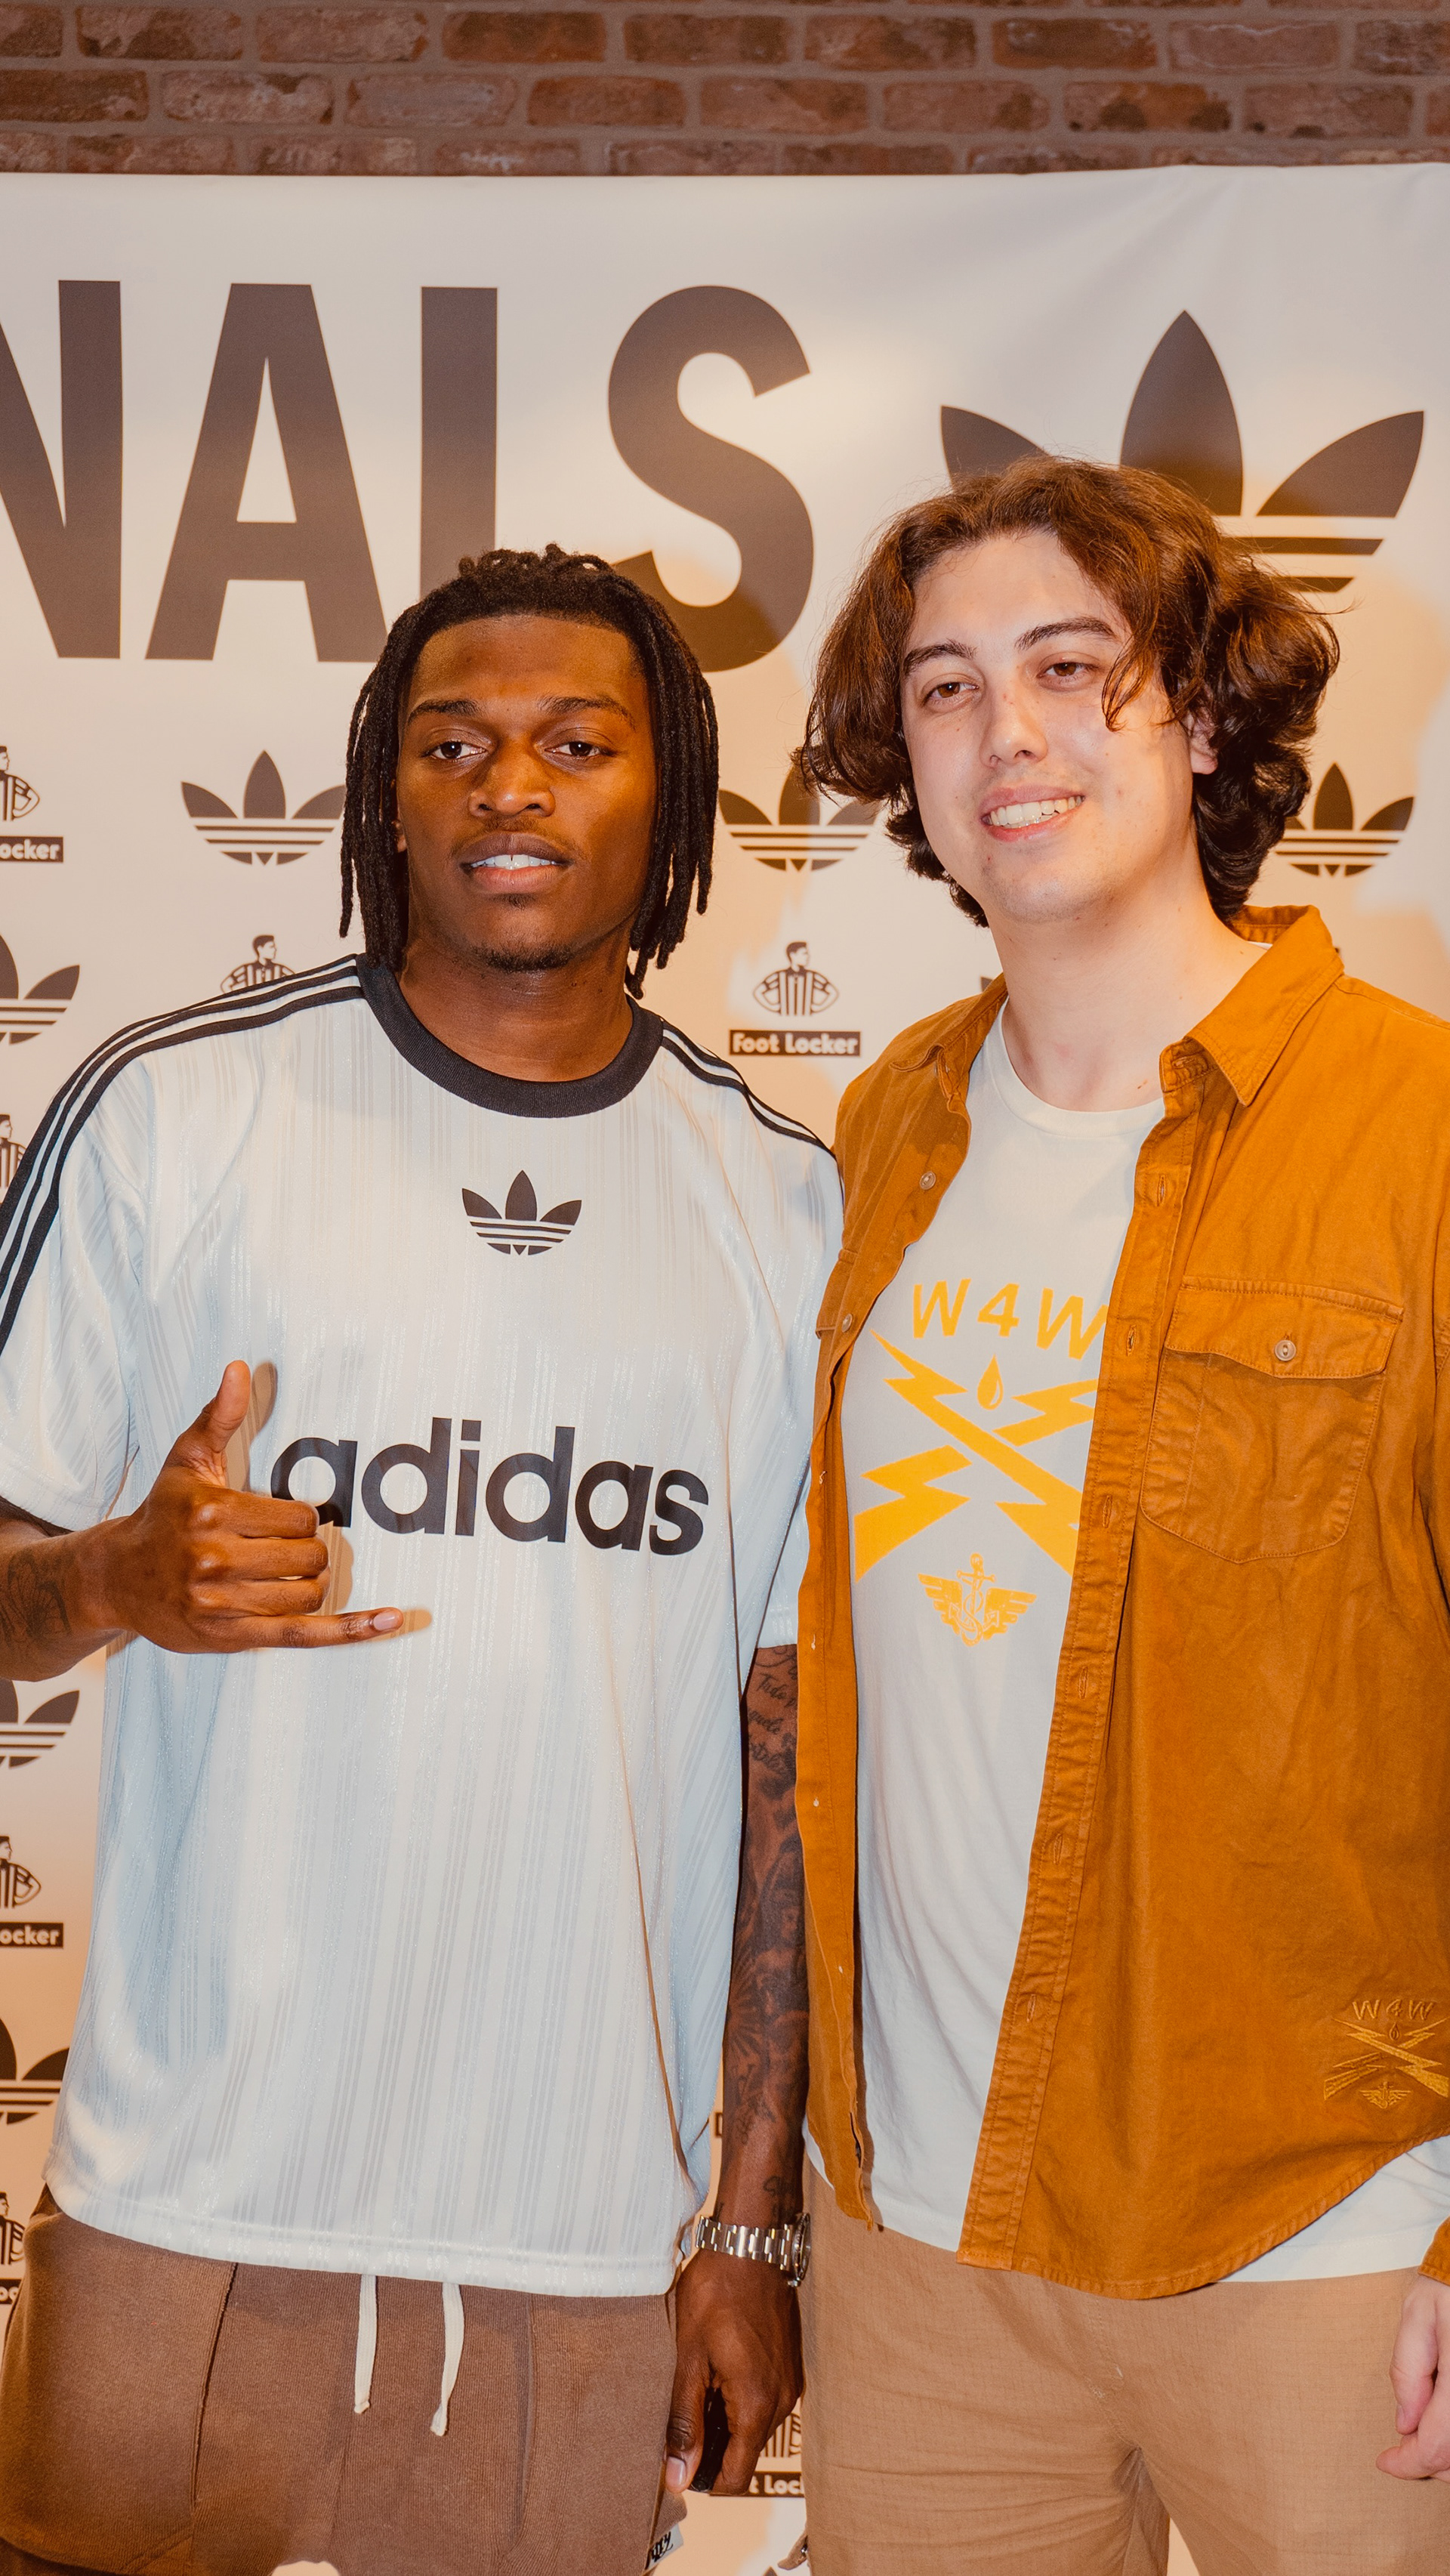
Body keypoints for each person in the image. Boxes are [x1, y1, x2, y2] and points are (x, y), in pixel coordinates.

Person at [0, 546, 836, 2575]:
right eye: (452, 744)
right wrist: (113, 1581)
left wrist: (747, 2226)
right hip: (186, 2206)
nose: (510, 787)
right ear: (383, 788)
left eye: (578, 743)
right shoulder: (175, 1109)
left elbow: (787, 1758)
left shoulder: (786, 1203)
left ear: (673, 791)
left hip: (581, 2247)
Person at [791, 456, 1450, 2572]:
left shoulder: (1418, 1131)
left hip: (1328, 2226)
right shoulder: (887, 1124)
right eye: (947, 687)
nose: (1010, 731)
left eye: (1075, 667)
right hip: (924, 2236)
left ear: (1208, 717)